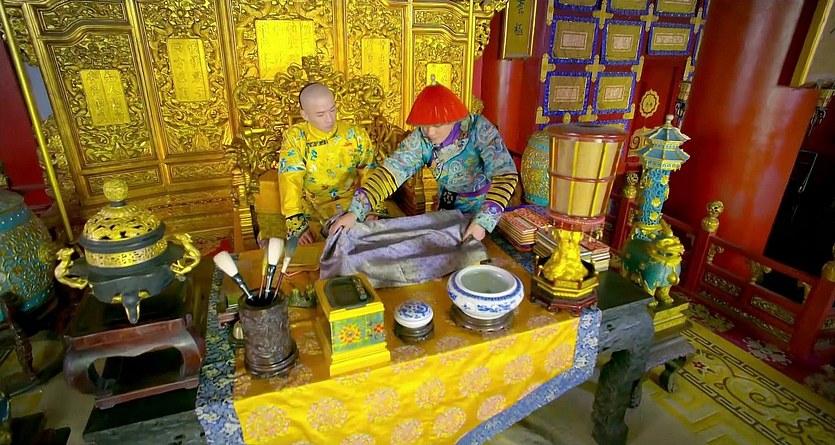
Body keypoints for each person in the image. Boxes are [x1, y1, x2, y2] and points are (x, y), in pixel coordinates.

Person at [331, 80, 518, 241]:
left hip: (487, 206)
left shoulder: (478, 128)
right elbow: (392, 171)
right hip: (448, 205)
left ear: (454, 119)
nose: (430, 132)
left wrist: (483, 221)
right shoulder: (421, 138)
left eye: (437, 125)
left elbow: (505, 175)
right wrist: (355, 211)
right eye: (424, 125)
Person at [277, 82, 380, 244]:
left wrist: (372, 206)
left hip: (355, 201)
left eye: (332, 110)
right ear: (305, 115)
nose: (329, 119)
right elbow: (290, 178)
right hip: (314, 206)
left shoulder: (355, 134)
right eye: (320, 114)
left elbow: (370, 171)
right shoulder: (296, 138)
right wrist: (295, 220)